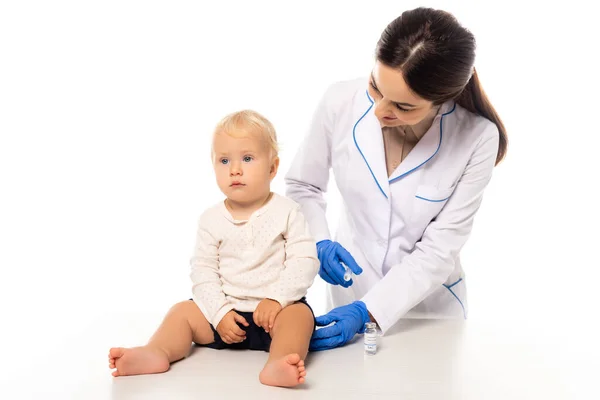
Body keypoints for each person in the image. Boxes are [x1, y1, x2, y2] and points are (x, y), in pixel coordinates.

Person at [285, 7, 508, 351]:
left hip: (428, 314)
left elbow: (438, 250)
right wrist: (318, 241)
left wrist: (369, 310)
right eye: (376, 87)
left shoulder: (477, 137)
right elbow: (304, 186)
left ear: (442, 99)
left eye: (403, 107)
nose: (379, 111)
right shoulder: (339, 101)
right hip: (349, 292)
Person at [108, 110, 320, 388]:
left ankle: (279, 362)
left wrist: (277, 300)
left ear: (272, 168)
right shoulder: (211, 219)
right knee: (182, 312)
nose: (235, 169)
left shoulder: (287, 212)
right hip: (224, 317)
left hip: (273, 316)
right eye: (224, 160)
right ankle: (156, 351)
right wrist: (218, 313)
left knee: (300, 318)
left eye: (247, 158)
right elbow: (203, 272)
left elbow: (303, 260)